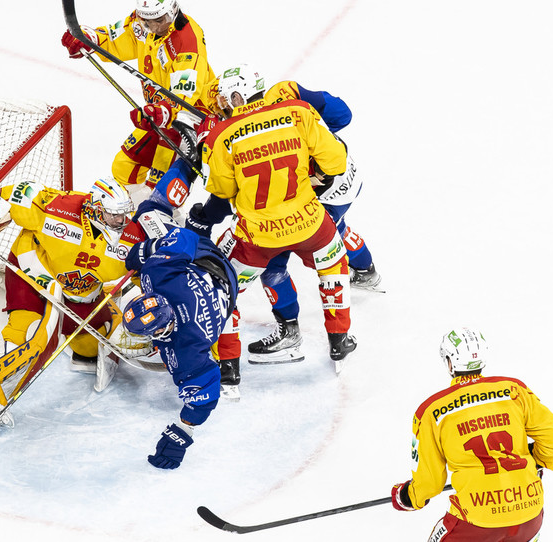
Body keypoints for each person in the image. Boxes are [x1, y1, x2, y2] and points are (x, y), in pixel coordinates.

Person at [187, 64, 358, 399]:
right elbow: (337, 162)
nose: (224, 103)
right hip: (310, 221)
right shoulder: (297, 111)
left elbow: (221, 190)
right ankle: (340, 340)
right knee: (334, 265)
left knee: (223, 285)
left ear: (237, 95)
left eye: (226, 97)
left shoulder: (223, 133)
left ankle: (229, 366)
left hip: (259, 234)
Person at [0, 177, 137, 432]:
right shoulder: (56, 207)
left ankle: (82, 346)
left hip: (80, 289)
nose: (121, 222)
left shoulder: (133, 234)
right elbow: (14, 192)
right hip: (32, 275)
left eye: (124, 215)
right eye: (114, 215)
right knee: (30, 332)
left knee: (98, 339)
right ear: (95, 208)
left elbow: (153, 266)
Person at [391, 327, 553, 541]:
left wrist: (408, 497)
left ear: (449, 362)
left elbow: (430, 482)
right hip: (529, 515)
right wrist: (536, 460)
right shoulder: (514, 390)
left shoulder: (431, 411)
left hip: (475, 522)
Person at [61, 0, 215, 201]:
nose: (154, 27)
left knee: (160, 191)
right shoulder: (143, 22)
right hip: (158, 114)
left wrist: (165, 112)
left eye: (160, 20)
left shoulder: (186, 41)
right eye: (147, 21)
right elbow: (116, 38)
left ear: (173, 10)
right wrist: (90, 38)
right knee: (124, 168)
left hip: (187, 120)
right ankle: (138, 219)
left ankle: (161, 224)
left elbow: (184, 94)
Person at [122, 225, 237, 469]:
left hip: (223, 287)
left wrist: (182, 432)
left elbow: (205, 397)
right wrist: (149, 252)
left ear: (161, 330)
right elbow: (185, 235)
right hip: (213, 266)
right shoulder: (157, 273)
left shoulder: (186, 353)